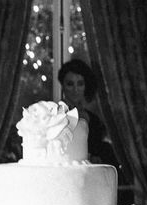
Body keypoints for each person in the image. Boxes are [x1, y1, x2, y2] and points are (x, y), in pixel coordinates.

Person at [57, 59, 132, 193]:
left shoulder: (94, 120)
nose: (75, 89)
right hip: (64, 180)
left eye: (80, 84)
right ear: (62, 86)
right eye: (70, 84)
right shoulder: (55, 117)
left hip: (93, 184)